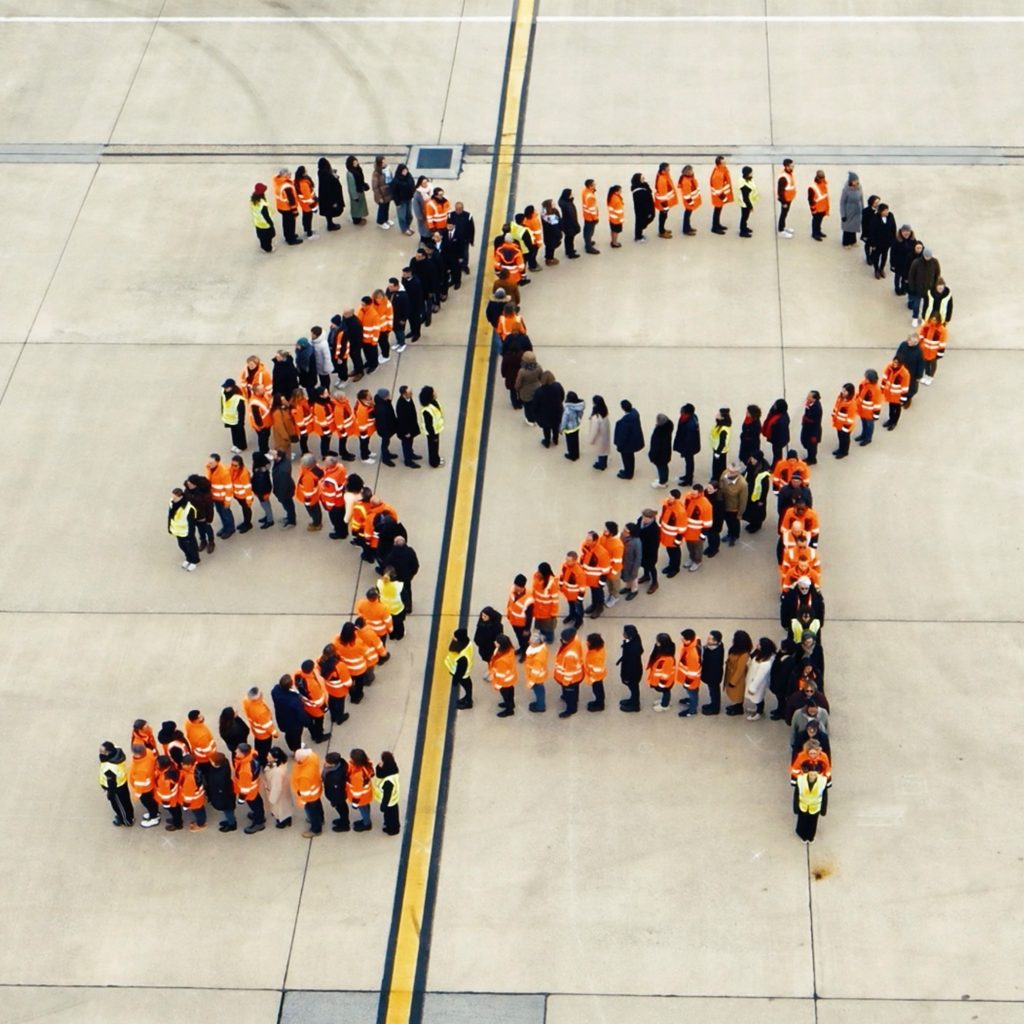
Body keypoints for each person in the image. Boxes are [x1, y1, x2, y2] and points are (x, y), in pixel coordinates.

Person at [233, 742, 266, 834]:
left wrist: (241, 799)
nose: (236, 751)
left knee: (255, 805)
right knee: (258, 802)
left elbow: (245, 788)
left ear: (243, 754)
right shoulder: (253, 754)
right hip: (254, 788)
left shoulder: (245, 770)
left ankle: (259, 823)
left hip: (250, 791)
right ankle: (259, 816)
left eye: (238, 751)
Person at [291, 747, 325, 838]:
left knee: (312, 812)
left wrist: (301, 801)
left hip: (309, 797)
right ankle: (321, 819)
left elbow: (305, 793)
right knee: (318, 806)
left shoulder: (305, 776)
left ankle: (316, 829)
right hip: (316, 790)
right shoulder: (313, 757)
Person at [99, 741, 134, 827]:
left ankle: (126, 821)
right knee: (126, 802)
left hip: (117, 788)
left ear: (108, 753)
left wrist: (110, 794)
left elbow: (112, 785)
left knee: (119, 805)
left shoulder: (109, 768)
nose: (100, 751)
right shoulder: (117, 753)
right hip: (122, 782)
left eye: (102, 751)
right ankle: (129, 816)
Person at [553, 627, 585, 718]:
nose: (561, 640)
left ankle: (571, 709)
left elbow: (569, 672)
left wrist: (565, 683)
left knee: (570, 693)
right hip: (577, 675)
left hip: (570, 679)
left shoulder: (570, 655)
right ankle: (573, 698)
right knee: (574, 690)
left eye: (563, 639)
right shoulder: (575, 639)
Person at [271, 675, 308, 752]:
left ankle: (292, 747)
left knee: (288, 735)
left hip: (282, 719)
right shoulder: (293, 700)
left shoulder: (275, 691)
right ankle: (297, 750)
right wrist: (307, 722)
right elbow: (300, 714)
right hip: (294, 723)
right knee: (296, 737)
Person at [743, 637, 777, 719]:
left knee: (758, 698)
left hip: (758, 684)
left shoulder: (766, 663)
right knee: (758, 698)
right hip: (753, 679)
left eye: (759, 644)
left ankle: (758, 713)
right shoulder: (761, 654)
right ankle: (757, 709)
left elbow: (759, 677)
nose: (757, 645)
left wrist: (752, 688)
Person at [792, 769, 829, 843]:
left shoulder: (822, 781)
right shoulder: (800, 780)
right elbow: (796, 794)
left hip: (815, 808)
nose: (812, 777)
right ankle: (802, 835)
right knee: (802, 821)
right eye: (811, 775)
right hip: (803, 806)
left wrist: (823, 810)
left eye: (814, 775)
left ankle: (810, 836)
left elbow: (825, 797)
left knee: (813, 823)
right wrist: (796, 808)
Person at [168, 487, 199, 571]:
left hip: (186, 532)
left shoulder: (188, 509)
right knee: (182, 546)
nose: (173, 498)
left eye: (175, 497)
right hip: (178, 531)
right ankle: (188, 558)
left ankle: (194, 561)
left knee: (191, 547)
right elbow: (170, 517)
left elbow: (191, 524)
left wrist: (190, 535)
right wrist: (169, 528)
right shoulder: (172, 503)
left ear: (180, 496)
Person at [260, 747, 293, 828]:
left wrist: (272, 799)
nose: (267, 757)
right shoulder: (279, 764)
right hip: (283, 790)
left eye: (269, 756)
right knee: (285, 807)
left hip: (278, 793)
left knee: (279, 809)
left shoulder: (277, 772)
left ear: (276, 758)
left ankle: (282, 822)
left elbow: (276, 787)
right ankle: (287, 819)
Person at [205, 454, 236, 539]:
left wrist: (227, 502)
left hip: (222, 499)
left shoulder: (223, 473)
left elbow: (229, 489)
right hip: (215, 498)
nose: (209, 464)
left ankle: (230, 529)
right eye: (209, 462)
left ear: (217, 462)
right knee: (221, 513)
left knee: (226, 514)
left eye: (211, 462)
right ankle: (225, 527)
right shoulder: (208, 468)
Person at [908, 247, 941, 325]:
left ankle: (923, 318)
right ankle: (915, 317)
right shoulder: (916, 262)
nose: (927, 258)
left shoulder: (935, 262)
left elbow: (937, 274)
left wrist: (934, 286)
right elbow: (911, 275)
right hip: (917, 289)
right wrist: (912, 287)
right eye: (926, 256)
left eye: (929, 257)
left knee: (926, 305)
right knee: (916, 305)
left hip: (929, 289)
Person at [723, 630, 753, 715]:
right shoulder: (736, 649)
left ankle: (739, 708)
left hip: (737, 679)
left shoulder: (744, 654)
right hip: (731, 673)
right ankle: (736, 706)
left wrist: (733, 682)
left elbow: (740, 670)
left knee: (738, 694)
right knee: (735, 693)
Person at [488, 634, 518, 717]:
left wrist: (497, 685)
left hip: (504, 682)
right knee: (510, 692)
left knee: (506, 695)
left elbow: (501, 675)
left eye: (497, 642)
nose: (495, 642)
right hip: (510, 678)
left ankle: (509, 710)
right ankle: (511, 705)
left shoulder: (502, 660)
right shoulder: (510, 650)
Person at [614, 399, 644, 479]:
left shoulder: (625, 422)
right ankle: (630, 471)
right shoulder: (635, 414)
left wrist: (619, 445)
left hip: (627, 445)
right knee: (631, 458)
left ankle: (628, 474)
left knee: (627, 459)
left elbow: (623, 436)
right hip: (633, 441)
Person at [718, 464, 748, 546]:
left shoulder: (742, 484)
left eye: (733, 472)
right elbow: (720, 487)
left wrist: (740, 514)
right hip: (724, 505)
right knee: (728, 521)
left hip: (734, 508)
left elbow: (743, 500)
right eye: (729, 470)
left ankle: (734, 536)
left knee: (734, 523)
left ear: (738, 473)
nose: (730, 473)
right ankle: (729, 533)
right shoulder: (725, 474)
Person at [534, 371, 565, 449]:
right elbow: (562, 396)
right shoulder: (558, 386)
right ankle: (555, 439)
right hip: (557, 411)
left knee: (546, 429)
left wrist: (536, 414)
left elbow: (536, 405)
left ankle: (547, 442)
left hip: (545, 414)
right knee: (556, 426)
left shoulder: (539, 391)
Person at [646, 632, 676, 711]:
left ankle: (664, 705)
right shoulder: (664, 651)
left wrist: (661, 685)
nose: (656, 643)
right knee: (665, 692)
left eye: (658, 642)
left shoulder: (668, 659)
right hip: (661, 681)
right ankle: (664, 701)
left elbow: (665, 675)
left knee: (666, 691)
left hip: (665, 683)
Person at [676, 629, 702, 717]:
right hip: (689, 677)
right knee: (693, 692)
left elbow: (693, 673)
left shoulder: (692, 655)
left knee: (692, 693)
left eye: (682, 638)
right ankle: (691, 702)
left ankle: (692, 710)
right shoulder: (694, 641)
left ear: (688, 640)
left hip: (691, 680)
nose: (681, 639)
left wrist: (687, 683)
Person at [321, 751, 350, 832]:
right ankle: (343, 820)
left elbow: (336, 792)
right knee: (342, 809)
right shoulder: (341, 763)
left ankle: (345, 825)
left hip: (338, 797)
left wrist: (334, 802)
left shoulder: (335, 777)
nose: (325, 764)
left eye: (328, 763)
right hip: (337, 794)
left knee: (341, 809)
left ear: (334, 764)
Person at [531, 563, 559, 643]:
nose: (538, 573)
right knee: (541, 626)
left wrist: (553, 613)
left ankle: (549, 640)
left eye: (540, 571)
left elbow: (555, 600)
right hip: (538, 609)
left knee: (548, 629)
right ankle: (543, 637)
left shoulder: (552, 584)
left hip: (547, 612)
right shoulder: (536, 577)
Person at [446, 628, 474, 709]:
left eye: (455, 637)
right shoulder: (466, 643)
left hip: (462, 674)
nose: (453, 638)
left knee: (467, 686)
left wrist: (455, 680)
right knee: (468, 686)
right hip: (461, 672)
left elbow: (460, 671)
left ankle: (468, 702)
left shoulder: (462, 656)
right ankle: (467, 698)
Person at [673, 403, 701, 485]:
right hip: (686, 445)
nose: (681, 412)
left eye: (682, 411)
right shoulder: (690, 418)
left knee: (689, 462)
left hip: (689, 448)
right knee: (688, 462)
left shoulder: (690, 425)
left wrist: (684, 451)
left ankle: (689, 479)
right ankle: (688, 476)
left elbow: (689, 441)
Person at [272, 168, 301, 245]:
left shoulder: (278, 181)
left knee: (285, 223)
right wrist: (295, 211)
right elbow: (291, 201)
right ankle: (291, 239)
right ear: (285, 175)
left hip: (281, 206)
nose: (290, 174)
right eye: (289, 174)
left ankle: (287, 236)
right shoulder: (286, 186)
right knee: (290, 224)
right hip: (287, 208)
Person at [881, 357, 911, 430]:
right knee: (891, 407)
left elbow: (905, 387)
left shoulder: (905, 373)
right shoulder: (889, 367)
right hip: (890, 393)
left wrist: (902, 399)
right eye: (894, 362)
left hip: (897, 396)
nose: (894, 364)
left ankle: (894, 422)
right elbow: (885, 378)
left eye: (897, 363)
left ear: (901, 364)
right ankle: (890, 419)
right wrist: (882, 388)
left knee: (897, 409)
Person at [374, 752, 401, 835]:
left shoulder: (388, 781)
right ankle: (393, 826)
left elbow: (387, 796)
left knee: (390, 816)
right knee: (393, 815)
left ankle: (392, 829)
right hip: (393, 798)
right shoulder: (393, 768)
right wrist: (379, 767)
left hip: (389, 801)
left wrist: (383, 805)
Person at [635, 508, 660, 594]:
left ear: (652, 518)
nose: (644, 519)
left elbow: (655, 544)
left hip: (650, 552)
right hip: (641, 548)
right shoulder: (640, 520)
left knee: (651, 567)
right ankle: (646, 576)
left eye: (647, 518)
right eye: (643, 517)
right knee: (644, 564)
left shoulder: (655, 529)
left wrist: (651, 554)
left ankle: (655, 583)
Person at [854, 369, 882, 446]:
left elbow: (877, 404)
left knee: (869, 426)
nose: (865, 379)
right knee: (864, 424)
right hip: (862, 409)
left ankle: (868, 438)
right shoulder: (863, 383)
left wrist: (876, 415)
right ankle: (863, 435)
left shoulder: (876, 390)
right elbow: (859, 393)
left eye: (867, 378)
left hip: (869, 413)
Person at [419, 386, 445, 467]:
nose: (435, 393)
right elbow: (429, 426)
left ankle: (436, 458)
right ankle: (434, 462)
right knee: (433, 447)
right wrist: (433, 436)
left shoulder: (433, 402)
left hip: (436, 430)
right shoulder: (427, 411)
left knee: (435, 447)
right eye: (434, 392)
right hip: (432, 433)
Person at [699, 630, 725, 715]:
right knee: (712, 692)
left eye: (709, 639)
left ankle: (715, 709)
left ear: (715, 641)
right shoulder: (715, 646)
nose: (707, 640)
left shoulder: (715, 654)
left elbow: (709, 665)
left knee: (714, 692)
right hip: (712, 676)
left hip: (713, 678)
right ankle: (713, 704)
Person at [869, 201, 897, 279]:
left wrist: (893, 240)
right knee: (876, 257)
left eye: (887, 210)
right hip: (878, 242)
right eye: (885, 211)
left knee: (884, 256)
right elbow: (872, 232)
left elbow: (893, 228)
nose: (887, 212)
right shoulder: (875, 219)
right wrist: (873, 244)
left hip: (887, 242)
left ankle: (882, 269)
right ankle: (876, 270)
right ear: (880, 211)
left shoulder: (890, 216)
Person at [316, 157, 344, 231]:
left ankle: (330, 223)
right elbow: (333, 185)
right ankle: (330, 225)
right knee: (330, 211)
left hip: (324, 196)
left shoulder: (320, 172)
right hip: (330, 198)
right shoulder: (328, 176)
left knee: (327, 211)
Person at [271, 448, 297, 527]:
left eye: (274, 455)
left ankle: (292, 521)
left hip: (285, 491)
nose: (272, 456)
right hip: (286, 488)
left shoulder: (283, 470)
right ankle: (290, 517)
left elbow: (283, 485)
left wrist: (280, 496)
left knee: (288, 505)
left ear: (279, 457)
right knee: (289, 505)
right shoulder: (283, 460)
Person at [523, 630, 549, 712]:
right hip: (538, 676)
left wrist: (531, 682)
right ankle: (540, 704)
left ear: (537, 644)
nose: (529, 642)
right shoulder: (540, 649)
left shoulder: (538, 658)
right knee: (539, 691)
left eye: (531, 642)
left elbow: (535, 671)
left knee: (539, 692)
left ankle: (540, 706)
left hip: (537, 678)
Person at [221, 378, 247, 453]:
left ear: (232, 387)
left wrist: (241, 422)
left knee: (240, 432)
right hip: (229, 418)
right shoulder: (224, 393)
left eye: (227, 387)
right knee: (233, 432)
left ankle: (242, 446)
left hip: (236, 419)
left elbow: (241, 412)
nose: (225, 389)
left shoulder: (238, 398)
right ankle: (235, 444)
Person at [890, 224, 917, 297]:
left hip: (908, 263)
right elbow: (892, 253)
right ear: (901, 231)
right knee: (898, 276)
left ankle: (903, 288)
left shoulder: (913, 240)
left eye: (908, 231)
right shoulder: (896, 240)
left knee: (905, 276)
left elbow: (916, 249)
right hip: (899, 263)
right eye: (904, 231)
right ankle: (897, 288)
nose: (906, 233)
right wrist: (892, 264)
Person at [648, 412, 674, 487]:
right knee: (664, 467)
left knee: (661, 467)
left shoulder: (659, 432)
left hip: (660, 455)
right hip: (666, 452)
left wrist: (652, 455)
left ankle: (662, 482)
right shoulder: (669, 425)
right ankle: (663, 479)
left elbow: (655, 446)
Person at [831, 383, 856, 459]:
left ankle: (844, 452)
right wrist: (834, 415)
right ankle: (840, 449)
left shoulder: (851, 404)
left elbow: (850, 418)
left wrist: (845, 429)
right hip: (839, 423)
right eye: (843, 390)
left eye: (845, 391)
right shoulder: (840, 397)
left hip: (845, 426)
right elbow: (836, 406)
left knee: (845, 439)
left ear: (849, 392)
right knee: (840, 437)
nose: (843, 392)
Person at [709, 155, 733, 234]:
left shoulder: (722, 169)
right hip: (719, 197)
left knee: (718, 211)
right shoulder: (718, 175)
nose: (725, 163)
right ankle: (714, 227)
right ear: (719, 164)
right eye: (723, 162)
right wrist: (724, 199)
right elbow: (718, 190)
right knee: (717, 211)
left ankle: (717, 224)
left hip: (720, 196)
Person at [653, 162, 678, 238]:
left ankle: (662, 229)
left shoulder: (663, 175)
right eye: (668, 169)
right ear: (664, 170)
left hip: (664, 203)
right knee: (663, 217)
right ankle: (661, 232)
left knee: (663, 217)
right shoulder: (662, 180)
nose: (669, 170)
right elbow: (662, 196)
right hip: (663, 204)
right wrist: (665, 207)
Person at [250, 182, 275, 252]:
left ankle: (263, 246)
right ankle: (268, 249)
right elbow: (266, 215)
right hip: (265, 224)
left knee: (262, 237)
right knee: (268, 237)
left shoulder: (253, 200)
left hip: (257, 222)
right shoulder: (262, 204)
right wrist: (271, 223)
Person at [838, 172, 862, 247]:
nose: (856, 182)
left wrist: (863, 209)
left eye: (857, 180)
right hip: (849, 210)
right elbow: (842, 203)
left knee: (854, 226)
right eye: (855, 180)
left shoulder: (859, 187)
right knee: (848, 227)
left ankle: (853, 241)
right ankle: (846, 242)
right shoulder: (846, 190)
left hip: (857, 210)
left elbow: (861, 199)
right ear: (851, 181)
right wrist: (843, 214)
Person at [294, 164, 318, 238]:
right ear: (303, 173)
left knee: (305, 217)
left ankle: (306, 229)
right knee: (308, 218)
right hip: (307, 205)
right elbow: (308, 198)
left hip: (303, 204)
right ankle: (309, 232)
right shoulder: (304, 184)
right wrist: (314, 207)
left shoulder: (297, 181)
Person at [619, 523, 642, 601]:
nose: (623, 532)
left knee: (633, 577)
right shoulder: (622, 536)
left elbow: (638, 557)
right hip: (624, 562)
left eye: (626, 531)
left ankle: (634, 590)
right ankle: (628, 587)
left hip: (632, 564)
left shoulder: (636, 542)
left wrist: (635, 569)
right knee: (626, 576)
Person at [630, 172, 655, 242]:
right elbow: (644, 202)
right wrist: (648, 212)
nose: (644, 179)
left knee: (641, 222)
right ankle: (638, 237)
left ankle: (639, 233)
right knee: (640, 222)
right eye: (642, 178)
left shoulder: (643, 186)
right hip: (642, 210)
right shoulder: (638, 191)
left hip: (645, 208)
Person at [344, 156, 369, 225]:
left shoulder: (358, 169)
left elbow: (360, 180)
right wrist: (355, 196)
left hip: (360, 190)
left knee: (359, 207)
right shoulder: (350, 173)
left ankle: (359, 218)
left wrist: (364, 185)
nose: (356, 164)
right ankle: (356, 220)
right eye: (354, 163)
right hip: (356, 193)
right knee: (356, 208)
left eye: (356, 162)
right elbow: (351, 186)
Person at [561, 390, 585, 461]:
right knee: (575, 441)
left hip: (569, 428)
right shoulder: (579, 406)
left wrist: (561, 429)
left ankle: (572, 455)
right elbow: (580, 414)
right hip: (576, 426)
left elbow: (564, 421)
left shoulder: (567, 409)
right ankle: (576, 454)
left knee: (570, 443)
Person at [678, 164, 701, 236]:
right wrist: (691, 203)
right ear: (687, 172)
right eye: (691, 170)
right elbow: (687, 195)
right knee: (687, 215)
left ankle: (688, 227)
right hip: (689, 202)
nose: (692, 172)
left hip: (690, 201)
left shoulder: (690, 178)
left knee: (688, 215)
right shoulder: (686, 181)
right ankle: (686, 230)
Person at [800, 391, 823, 464]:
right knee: (805, 441)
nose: (807, 397)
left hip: (812, 430)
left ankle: (812, 459)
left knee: (812, 446)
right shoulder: (809, 403)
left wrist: (814, 435)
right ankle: (810, 456)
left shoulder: (817, 409)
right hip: (807, 427)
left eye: (809, 396)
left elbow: (816, 423)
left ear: (814, 399)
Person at [371, 155, 393, 229]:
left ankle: (386, 219)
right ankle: (380, 222)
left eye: (384, 161)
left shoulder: (387, 169)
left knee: (386, 207)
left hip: (388, 192)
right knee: (382, 208)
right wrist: (379, 197)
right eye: (382, 162)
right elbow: (375, 187)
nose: (384, 163)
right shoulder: (376, 173)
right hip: (382, 194)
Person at [588, 395, 610, 470]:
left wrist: (591, 440)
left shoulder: (596, 417)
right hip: (605, 435)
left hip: (599, 437)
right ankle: (604, 463)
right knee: (605, 450)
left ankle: (601, 465)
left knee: (600, 451)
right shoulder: (605, 411)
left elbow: (594, 430)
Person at [709, 408, 731, 481]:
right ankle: (716, 477)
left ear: (722, 417)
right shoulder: (720, 424)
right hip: (717, 449)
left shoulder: (723, 429)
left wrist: (718, 452)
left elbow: (722, 442)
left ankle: (718, 479)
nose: (717, 415)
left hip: (720, 451)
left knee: (719, 466)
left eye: (719, 414)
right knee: (717, 465)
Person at [558, 187, 581, 258]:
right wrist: (576, 226)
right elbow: (572, 216)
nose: (572, 195)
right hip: (570, 225)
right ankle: (571, 253)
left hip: (565, 223)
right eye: (571, 194)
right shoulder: (568, 205)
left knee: (568, 238)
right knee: (570, 239)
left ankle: (568, 251)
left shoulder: (563, 202)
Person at [808, 169, 829, 240]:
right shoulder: (812, 187)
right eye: (821, 178)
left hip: (823, 207)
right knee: (816, 221)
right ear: (817, 177)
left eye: (823, 177)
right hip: (817, 208)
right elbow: (810, 200)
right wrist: (813, 209)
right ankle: (815, 234)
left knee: (819, 221)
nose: (823, 179)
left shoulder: (824, 183)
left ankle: (818, 231)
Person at [776, 158, 795, 237]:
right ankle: (781, 230)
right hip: (785, 199)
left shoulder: (789, 173)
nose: (793, 167)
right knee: (783, 214)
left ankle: (783, 227)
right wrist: (783, 202)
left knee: (785, 214)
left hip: (789, 198)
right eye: (791, 166)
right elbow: (780, 191)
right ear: (787, 167)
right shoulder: (783, 178)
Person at [581, 178, 601, 253]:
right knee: (589, 231)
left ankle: (588, 242)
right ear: (590, 186)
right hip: (590, 217)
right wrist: (595, 218)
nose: (595, 185)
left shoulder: (585, 191)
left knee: (587, 230)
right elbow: (592, 209)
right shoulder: (590, 196)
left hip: (586, 215)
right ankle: (588, 247)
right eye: (594, 184)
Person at [540, 198, 563, 264]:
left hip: (547, 234)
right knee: (551, 247)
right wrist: (559, 235)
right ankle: (550, 259)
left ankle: (548, 257)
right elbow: (556, 228)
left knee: (548, 247)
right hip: (552, 236)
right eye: (552, 203)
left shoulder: (544, 213)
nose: (554, 204)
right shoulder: (552, 218)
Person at [737, 166, 757, 238]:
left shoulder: (747, 179)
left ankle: (744, 227)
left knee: (745, 217)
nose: (752, 174)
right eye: (751, 173)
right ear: (748, 174)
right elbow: (746, 198)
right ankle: (742, 231)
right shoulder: (744, 185)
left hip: (746, 202)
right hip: (745, 204)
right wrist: (750, 206)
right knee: (744, 217)